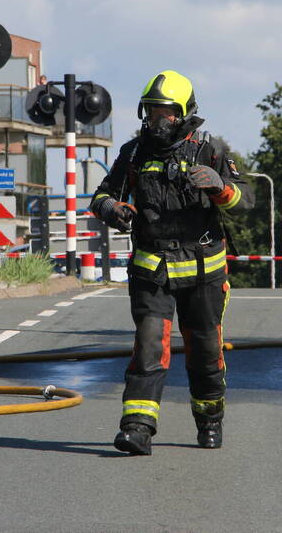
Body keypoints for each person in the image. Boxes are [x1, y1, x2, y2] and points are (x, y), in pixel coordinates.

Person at [89, 70, 254, 455]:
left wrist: (219, 185)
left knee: (205, 351)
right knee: (149, 345)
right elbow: (100, 197)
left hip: (204, 272)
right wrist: (114, 208)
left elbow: (246, 201)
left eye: (164, 112)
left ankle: (209, 419)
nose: (156, 120)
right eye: (150, 111)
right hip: (152, 270)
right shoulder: (133, 153)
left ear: (183, 113)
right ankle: (137, 428)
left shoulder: (210, 150)